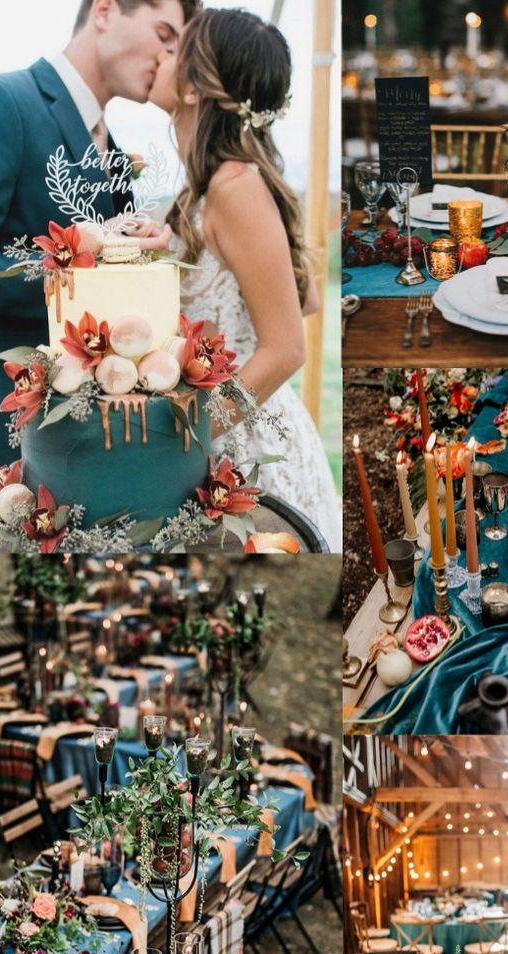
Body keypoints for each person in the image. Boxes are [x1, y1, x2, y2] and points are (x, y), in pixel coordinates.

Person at [0, 0, 198, 500]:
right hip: (2, 452)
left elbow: (101, 280)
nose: (169, 58)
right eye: (165, 35)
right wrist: (72, 263)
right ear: (105, 10)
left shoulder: (113, 147)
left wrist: (133, 253)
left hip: (90, 453)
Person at [149, 8, 342, 551]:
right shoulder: (212, 187)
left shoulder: (236, 189)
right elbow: (295, 295)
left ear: (192, 88)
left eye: (174, 48)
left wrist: (186, 441)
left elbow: (286, 348)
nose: (160, 57)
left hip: (245, 443)